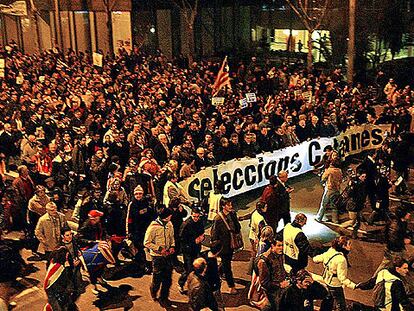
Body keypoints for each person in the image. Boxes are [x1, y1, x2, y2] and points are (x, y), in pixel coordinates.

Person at [313, 236, 357, 311]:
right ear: (343, 246)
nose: (350, 246)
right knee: (341, 305)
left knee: (328, 299)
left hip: (327, 279)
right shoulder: (341, 259)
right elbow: (342, 278)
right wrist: (354, 285)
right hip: (335, 284)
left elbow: (315, 259)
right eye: (349, 244)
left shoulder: (331, 251)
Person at [144, 208, 175, 307]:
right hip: (157, 257)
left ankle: (164, 297)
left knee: (168, 279)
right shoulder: (153, 227)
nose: (171, 217)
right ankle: (153, 291)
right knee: (157, 278)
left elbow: (171, 237)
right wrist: (159, 249)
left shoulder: (169, 224)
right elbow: (146, 242)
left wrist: (172, 246)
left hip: (168, 256)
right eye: (169, 215)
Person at [210, 198, 242, 295]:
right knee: (227, 266)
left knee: (225, 263)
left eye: (231, 204)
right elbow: (214, 235)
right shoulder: (218, 219)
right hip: (224, 246)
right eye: (228, 205)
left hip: (231, 244)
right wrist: (216, 248)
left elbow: (237, 228)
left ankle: (218, 273)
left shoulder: (232, 214)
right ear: (223, 206)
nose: (230, 206)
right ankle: (231, 286)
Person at [252, 236, 289, 311]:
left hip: (279, 289)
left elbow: (281, 269)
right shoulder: (264, 261)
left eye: (283, 245)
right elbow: (264, 283)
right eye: (279, 245)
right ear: (272, 246)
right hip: (271, 291)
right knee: (271, 307)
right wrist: (280, 285)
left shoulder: (279, 255)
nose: (281, 248)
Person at [125, 185, 155, 274]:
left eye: (140, 194)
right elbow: (129, 219)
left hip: (145, 229)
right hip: (136, 230)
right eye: (137, 194)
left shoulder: (145, 202)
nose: (138, 195)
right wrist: (129, 231)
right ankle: (143, 265)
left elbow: (151, 215)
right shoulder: (132, 204)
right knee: (140, 248)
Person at [178, 207, 205, 293]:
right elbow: (181, 238)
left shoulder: (200, 222)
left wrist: (201, 237)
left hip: (196, 249)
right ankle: (181, 283)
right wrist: (193, 240)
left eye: (197, 216)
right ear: (191, 215)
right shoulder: (186, 224)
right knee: (189, 269)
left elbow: (202, 232)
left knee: (197, 267)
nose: (196, 218)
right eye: (194, 216)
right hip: (188, 250)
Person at [43, 246, 78, 311]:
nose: (67, 257)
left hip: (56, 294)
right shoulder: (59, 269)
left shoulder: (53, 263)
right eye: (67, 255)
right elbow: (64, 282)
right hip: (57, 295)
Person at [340, 170, 367, 239]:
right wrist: (351, 186)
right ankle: (341, 227)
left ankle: (354, 235)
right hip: (353, 206)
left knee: (357, 222)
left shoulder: (362, 184)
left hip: (358, 205)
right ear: (359, 176)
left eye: (365, 176)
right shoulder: (355, 185)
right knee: (353, 221)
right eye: (363, 176)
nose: (364, 178)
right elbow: (349, 194)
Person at [60, 226, 84, 300]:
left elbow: (77, 247)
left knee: (78, 276)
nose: (70, 236)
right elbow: (63, 260)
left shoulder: (73, 240)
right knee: (71, 280)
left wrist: (79, 253)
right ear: (62, 236)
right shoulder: (61, 247)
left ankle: (78, 287)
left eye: (71, 234)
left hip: (76, 262)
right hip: (69, 267)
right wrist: (72, 264)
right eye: (67, 235)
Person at [316, 158, 342, 223]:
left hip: (329, 189)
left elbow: (323, 178)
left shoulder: (329, 170)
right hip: (337, 189)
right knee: (334, 205)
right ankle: (335, 220)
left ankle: (319, 217)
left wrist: (323, 183)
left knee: (324, 204)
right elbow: (341, 180)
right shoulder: (339, 171)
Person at [248, 201, 268, 272]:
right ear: (262, 209)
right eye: (265, 207)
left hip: (252, 236)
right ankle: (255, 270)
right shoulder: (260, 220)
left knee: (253, 254)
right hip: (257, 239)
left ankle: (250, 269)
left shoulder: (255, 213)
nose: (267, 208)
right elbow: (263, 231)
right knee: (258, 255)